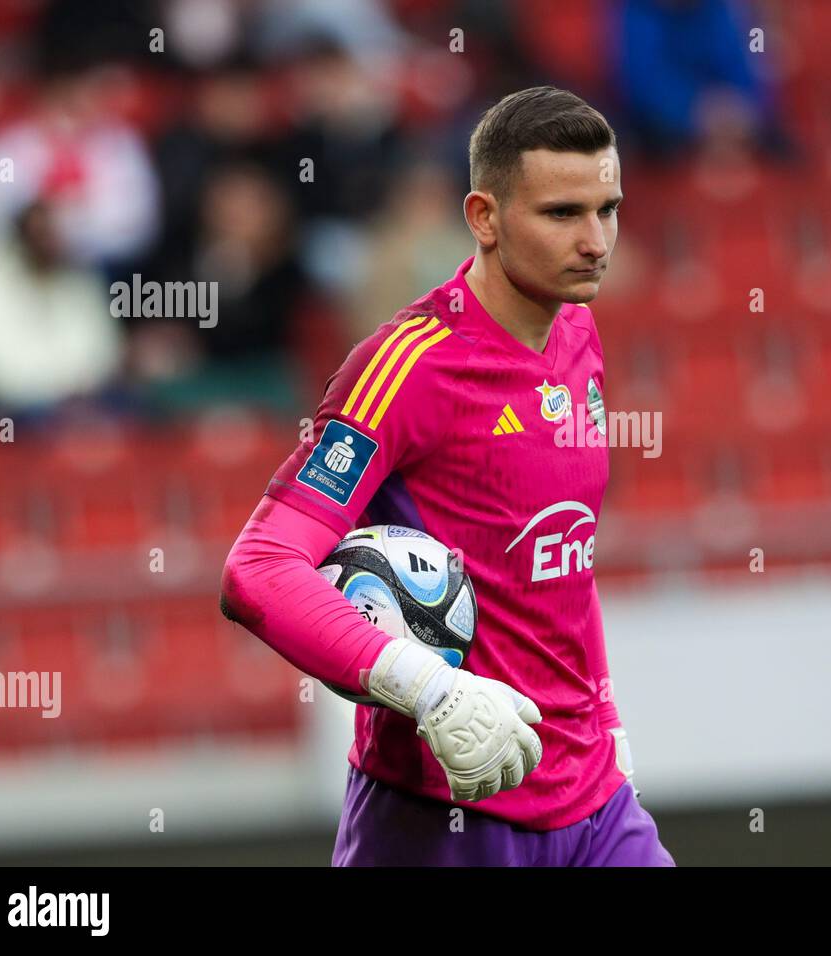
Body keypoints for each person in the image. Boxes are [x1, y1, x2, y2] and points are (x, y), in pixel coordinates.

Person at [219, 86, 674, 866]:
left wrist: (607, 718)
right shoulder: (407, 368)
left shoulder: (578, 333)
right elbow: (257, 571)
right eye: (563, 214)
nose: (598, 241)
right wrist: (430, 691)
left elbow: (562, 554)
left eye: (609, 209)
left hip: (595, 801)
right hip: (444, 814)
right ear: (484, 217)